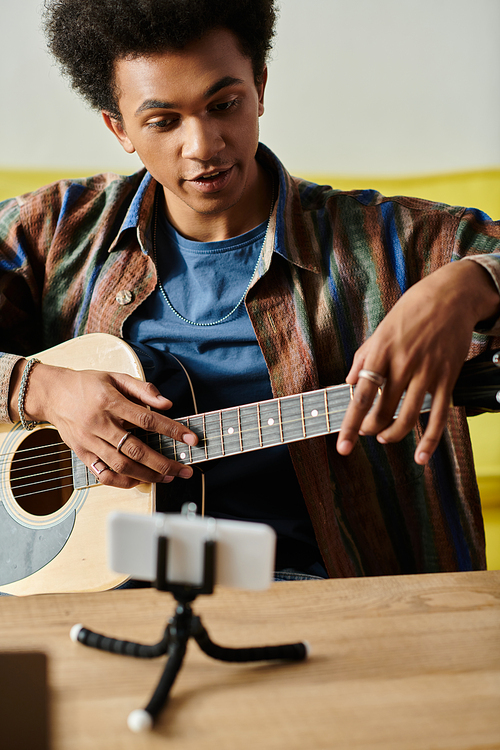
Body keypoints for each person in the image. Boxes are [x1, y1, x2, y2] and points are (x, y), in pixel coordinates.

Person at [1, 0, 499, 580]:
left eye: (225, 104)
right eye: (163, 120)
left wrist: (468, 285)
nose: (203, 145)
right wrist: (38, 388)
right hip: (98, 591)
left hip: (307, 593)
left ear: (260, 87)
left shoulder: (387, 243)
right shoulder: (54, 231)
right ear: (119, 128)